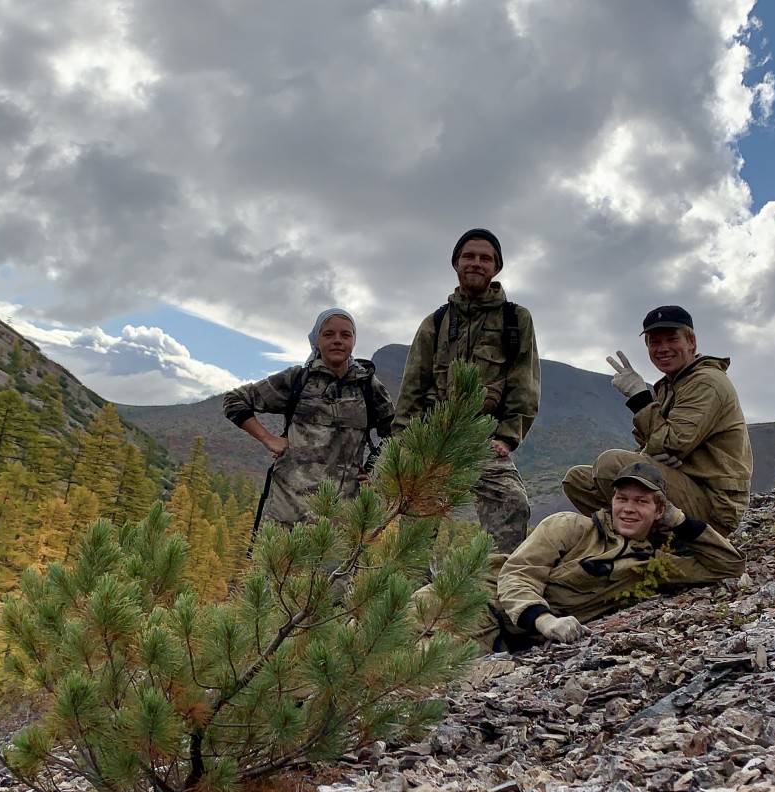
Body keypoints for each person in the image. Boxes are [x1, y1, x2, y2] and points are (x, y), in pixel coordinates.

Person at [475, 459, 744, 651]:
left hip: (501, 641)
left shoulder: (650, 567)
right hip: (472, 605)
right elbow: (518, 574)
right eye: (622, 498)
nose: (628, 508)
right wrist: (544, 621)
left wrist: (682, 522)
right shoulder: (569, 526)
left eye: (641, 501)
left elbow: (728, 565)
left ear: (660, 511)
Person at [392, 228, 540, 553]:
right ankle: (416, 599)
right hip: (434, 439)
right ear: (455, 263)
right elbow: (413, 388)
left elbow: (524, 383)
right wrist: (406, 444)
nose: (476, 263)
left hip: (484, 440)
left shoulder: (515, 319)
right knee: (416, 523)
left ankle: (499, 592)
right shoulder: (436, 322)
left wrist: (508, 436)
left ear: (496, 267)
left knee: (513, 503)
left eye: (485, 258)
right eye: (469, 256)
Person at [562, 305, 752, 533]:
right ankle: (631, 541)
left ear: (691, 341)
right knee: (578, 480)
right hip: (683, 485)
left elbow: (671, 444)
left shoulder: (706, 382)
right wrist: (655, 454)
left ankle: (676, 541)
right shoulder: (670, 386)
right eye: (655, 342)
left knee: (610, 464)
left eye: (672, 339)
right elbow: (650, 444)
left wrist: (640, 398)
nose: (663, 349)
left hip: (713, 503)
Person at [224, 308, 394, 528]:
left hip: (341, 519)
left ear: (354, 340)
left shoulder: (367, 386)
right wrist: (268, 439)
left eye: (345, 334)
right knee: (279, 564)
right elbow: (234, 400)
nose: (337, 341)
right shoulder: (297, 380)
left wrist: (376, 472)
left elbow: (396, 430)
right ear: (316, 339)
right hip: (287, 513)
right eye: (328, 334)